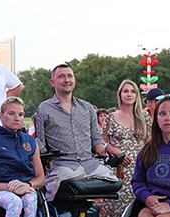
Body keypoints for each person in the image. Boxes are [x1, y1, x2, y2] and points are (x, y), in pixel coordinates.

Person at [35, 64, 118, 202]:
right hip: (64, 166)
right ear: (52, 82)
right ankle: (48, 212)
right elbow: (40, 143)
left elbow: (97, 139)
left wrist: (106, 154)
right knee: (57, 179)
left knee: (113, 179)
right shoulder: (45, 108)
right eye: (61, 76)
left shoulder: (87, 107)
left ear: (74, 79)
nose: (66, 80)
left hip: (90, 164)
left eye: (69, 76)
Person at [99, 79, 151, 217]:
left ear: (137, 95)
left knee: (137, 202)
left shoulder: (144, 117)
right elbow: (103, 144)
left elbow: (149, 144)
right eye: (125, 91)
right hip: (119, 168)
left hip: (140, 168)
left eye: (133, 91)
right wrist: (117, 151)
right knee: (116, 203)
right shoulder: (111, 117)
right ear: (120, 94)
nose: (129, 94)